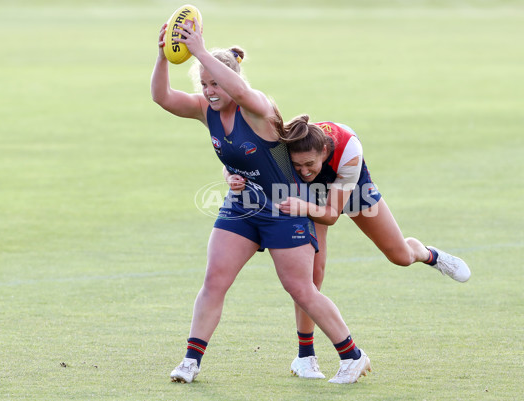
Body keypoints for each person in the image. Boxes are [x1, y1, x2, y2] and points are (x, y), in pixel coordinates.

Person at [151, 19, 370, 384]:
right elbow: (162, 97)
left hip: (285, 208)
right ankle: (191, 361)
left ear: (232, 79)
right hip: (242, 207)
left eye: (215, 82)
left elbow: (241, 91)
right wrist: (162, 56)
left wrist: (201, 50)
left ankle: (353, 355)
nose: (208, 91)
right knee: (214, 280)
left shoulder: (257, 108)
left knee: (301, 288)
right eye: (203, 84)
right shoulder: (206, 110)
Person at [224, 115, 470, 379]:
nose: (304, 169)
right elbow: (237, 157)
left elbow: (330, 214)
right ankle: (305, 356)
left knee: (400, 256)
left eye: (310, 163)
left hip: (349, 187)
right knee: (311, 278)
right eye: (298, 165)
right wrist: (229, 176)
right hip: (307, 193)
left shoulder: (347, 151)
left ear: (325, 151)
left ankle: (427, 253)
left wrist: (301, 207)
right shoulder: (286, 144)